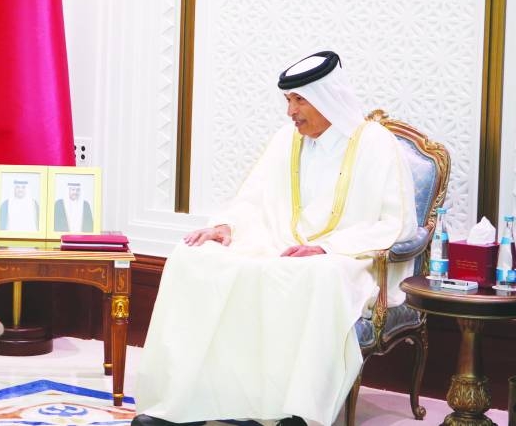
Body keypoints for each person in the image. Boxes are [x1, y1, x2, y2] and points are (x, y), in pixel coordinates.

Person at [133, 51, 417, 426]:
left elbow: (398, 223)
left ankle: (292, 412)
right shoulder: (287, 139)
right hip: (276, 241)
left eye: (299, 100)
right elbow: (252, 198)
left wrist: (327, 247)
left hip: (347, 258)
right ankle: (187, 403)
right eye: (288, 100)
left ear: (327, 98)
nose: (291, 112)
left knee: (317, 276)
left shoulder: (376, 144)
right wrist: (225, 226)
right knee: (196, 257)